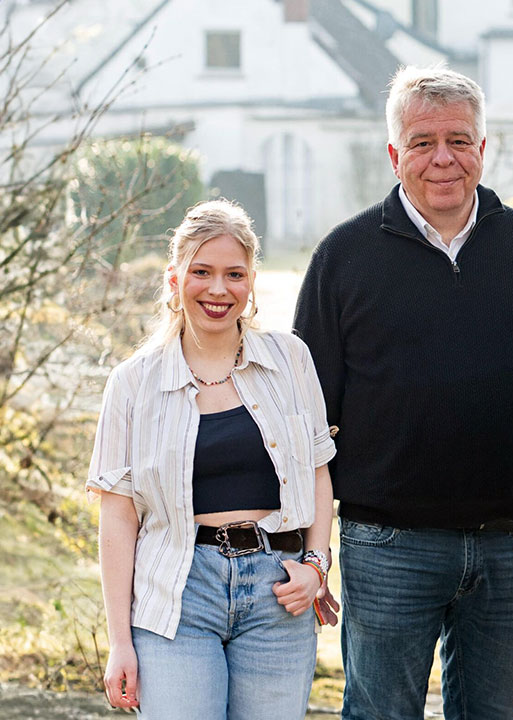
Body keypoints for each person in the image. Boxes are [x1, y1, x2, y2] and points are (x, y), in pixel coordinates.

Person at [293, 65, 513, 720]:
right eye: (422, 142)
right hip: (389, 543)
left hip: (512, 541)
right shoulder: (344, 257)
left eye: (458, 139)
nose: (442, 158)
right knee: (378, 713)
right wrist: (310, 546)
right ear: (394, 154)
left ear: (482, 147)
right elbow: (303, 419)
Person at [89, 200, 337, 718]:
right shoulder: (132, 383)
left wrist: (316, 565)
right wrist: (119, 642)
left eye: (234, 274)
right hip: (176, 595)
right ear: (175, 278)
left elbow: (318, 470)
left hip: (278, 592)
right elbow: (117, 516)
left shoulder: (291, 359)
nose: (218, 289)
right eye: (202, 272)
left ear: (251, 282)